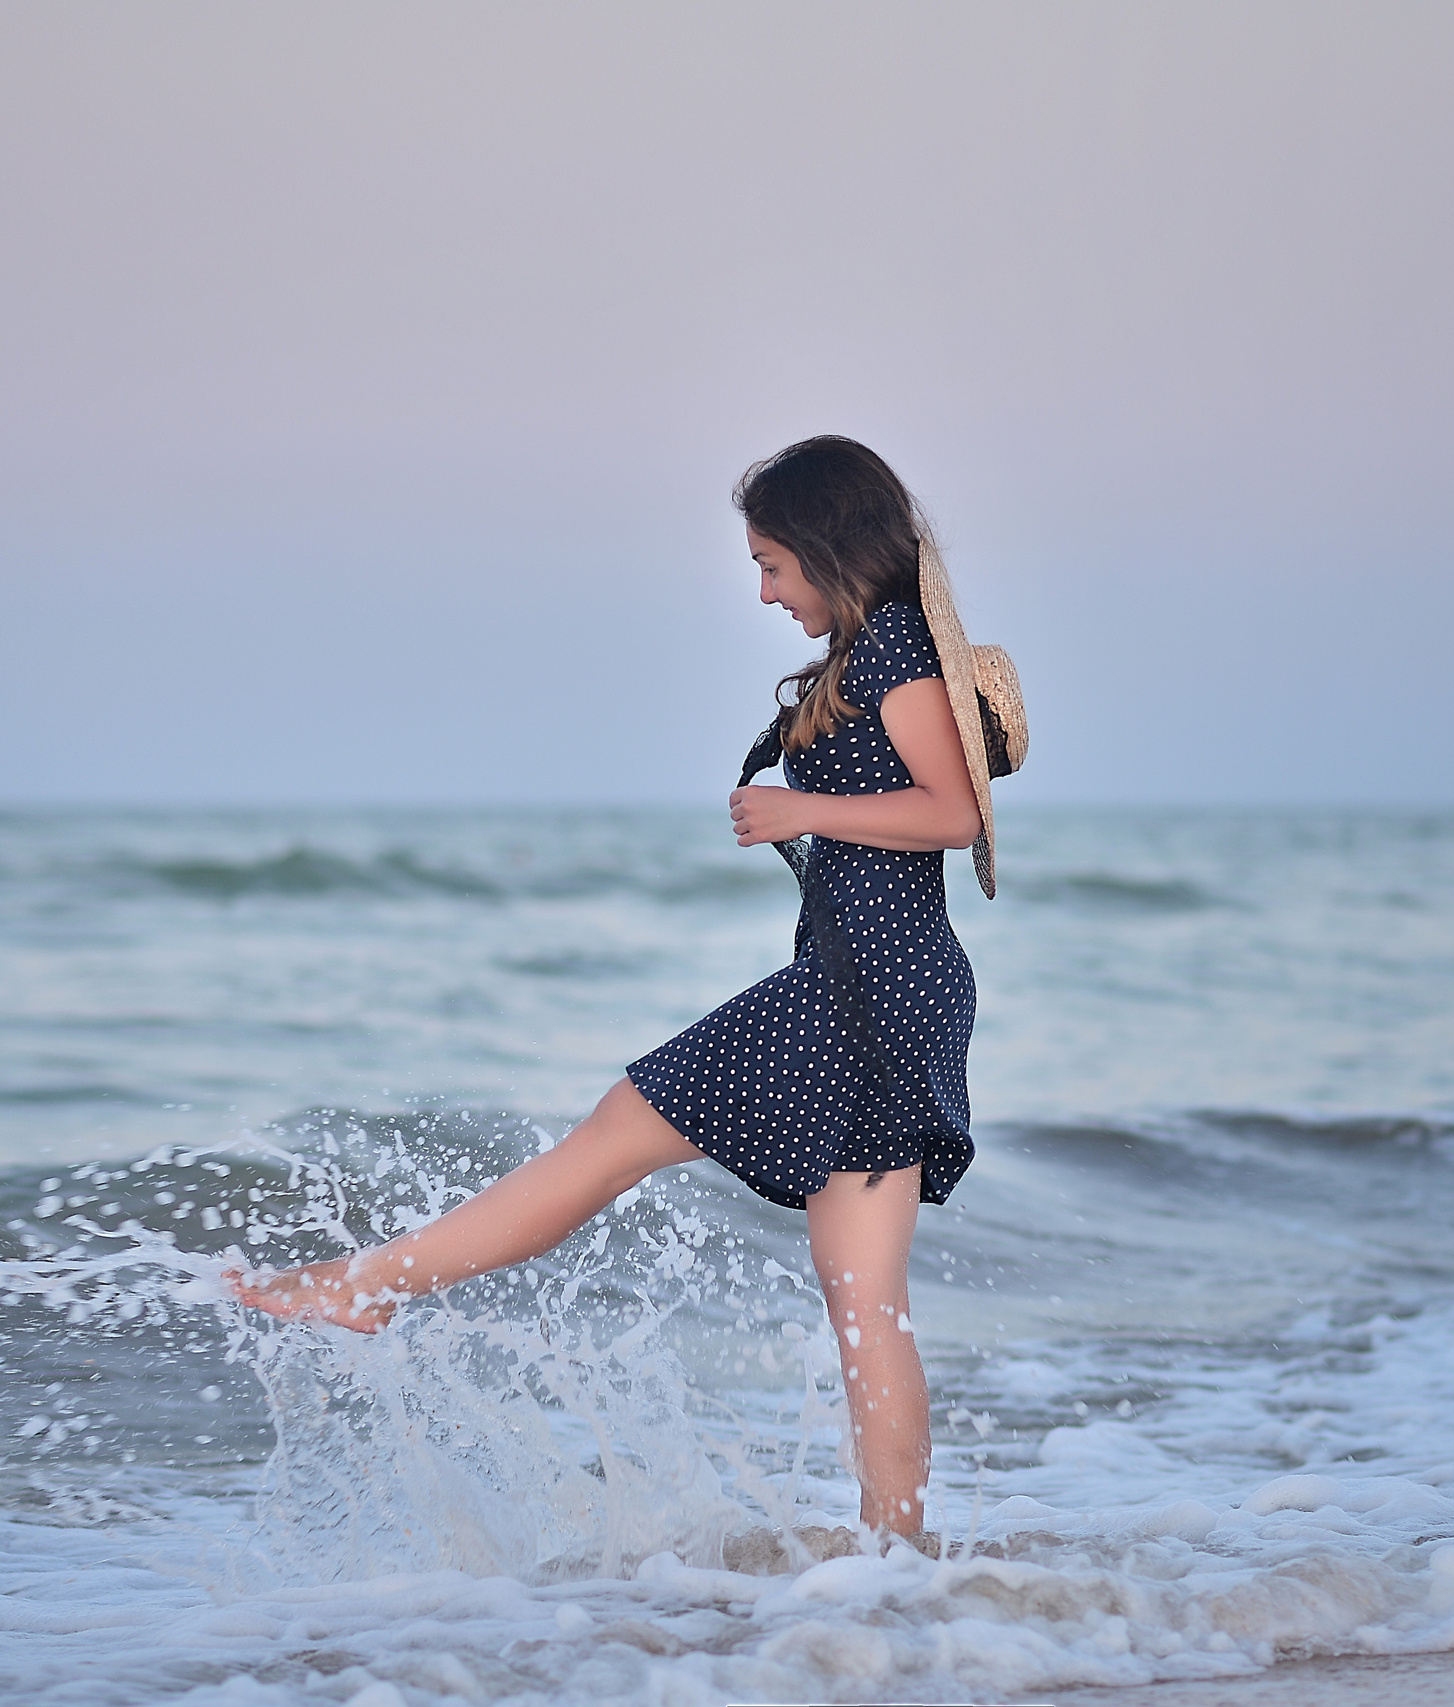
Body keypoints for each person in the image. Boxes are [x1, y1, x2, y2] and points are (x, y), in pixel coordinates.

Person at [234, 435, 1008, 1544]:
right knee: (863, 1303)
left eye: (774, 563)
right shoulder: (871, 652)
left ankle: (364, 1290)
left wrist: (803, 809)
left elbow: (954, 814)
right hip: (871, 987)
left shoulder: (899, 661)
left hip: (866, 994)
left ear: (830, 548)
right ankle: (901, 1559)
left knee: (606, 1142)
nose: (763, 588)